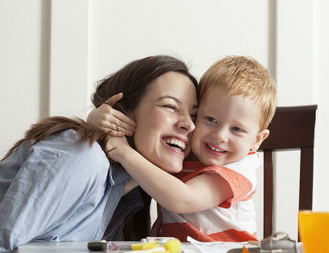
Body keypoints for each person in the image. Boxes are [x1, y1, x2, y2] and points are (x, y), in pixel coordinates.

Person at [0, 55, 199, 252]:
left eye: (194, 115)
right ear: (122, 111)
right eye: (170, 106)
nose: (189, 124)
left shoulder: (132, 193)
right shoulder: (83, 156)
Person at [96, 56, 277, 242]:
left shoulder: (240, 168)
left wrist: (123, 152)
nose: (220, 136)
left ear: (257, 140)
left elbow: (183, 199)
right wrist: (97, 121)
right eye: (210, 120)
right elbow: (114, 191)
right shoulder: (187, 154)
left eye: (237, 129)